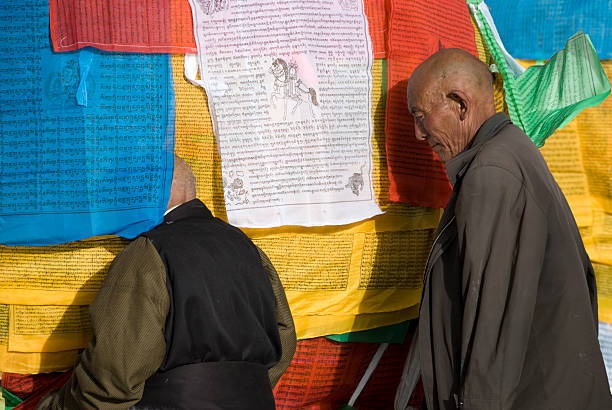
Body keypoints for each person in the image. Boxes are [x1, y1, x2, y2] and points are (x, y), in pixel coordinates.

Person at [406, 49, 611, 409]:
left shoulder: (492, 174)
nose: (419, 134)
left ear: (459, 104)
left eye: (421, 117)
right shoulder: (512, 150)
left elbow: (493, 321)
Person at [36, 156, 296, 409]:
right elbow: (284, 337)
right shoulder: (246, 246)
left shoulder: (149, 251)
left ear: (149, 191)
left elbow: (114, 376)